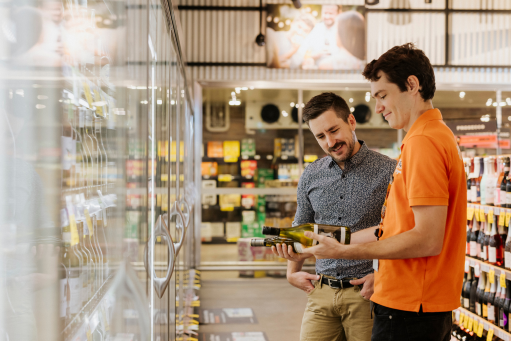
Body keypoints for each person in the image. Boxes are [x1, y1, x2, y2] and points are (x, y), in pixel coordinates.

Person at [304, 43, 466, 341]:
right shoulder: (426, 137)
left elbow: (427, 239)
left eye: (382, 95)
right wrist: (334, 240)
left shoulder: (424, 142)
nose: (377, 108)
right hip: (411, 301)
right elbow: (396, 228)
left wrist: (345, 251)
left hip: (411, 306)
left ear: (412, 85)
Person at [272, 92, 396, 341]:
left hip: (367, 293)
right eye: (320, 136)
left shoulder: (388, 170)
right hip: (320, 291)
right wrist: (291, 271)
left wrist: (382, 276)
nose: (330, 142)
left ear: (351, 121)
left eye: (333, 130)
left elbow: (398, 233)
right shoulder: (312, 174)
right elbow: (302, 226)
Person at [290, 5, 341, 69]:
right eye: (325, 13)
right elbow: (302, 53)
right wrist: (315, 55)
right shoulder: (316, 29)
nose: (327, 16)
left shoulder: (342, 29)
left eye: (331, 13)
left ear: (339, 13)